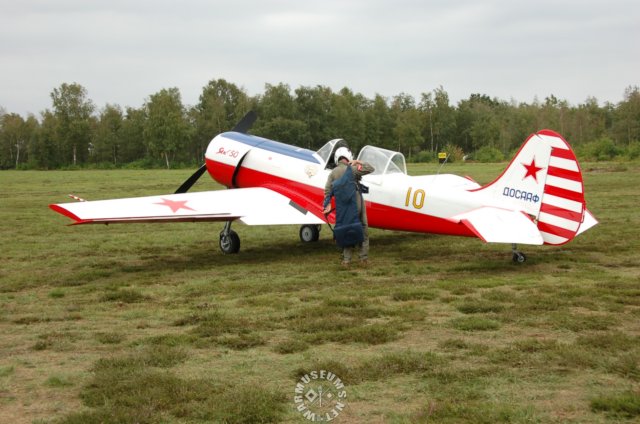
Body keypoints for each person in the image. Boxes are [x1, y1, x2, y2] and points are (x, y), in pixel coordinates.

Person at [323, 146, 374, 267]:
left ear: (337, 159)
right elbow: (371, 168)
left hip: (343, 207)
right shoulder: (353, 169)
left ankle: (346, 260)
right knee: (363, 227)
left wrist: (327, 204)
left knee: (346, 229)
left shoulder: (332, 173)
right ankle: (363, 258)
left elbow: (327, 191)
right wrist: (358, 162)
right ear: (348, 157)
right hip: (356, 203)